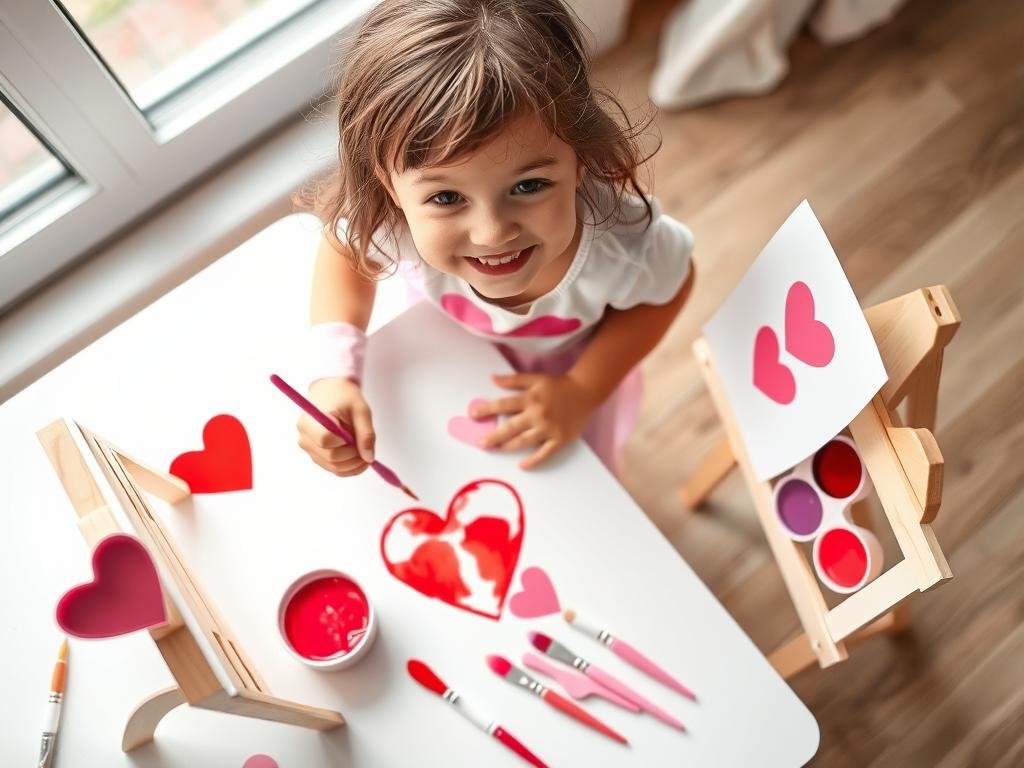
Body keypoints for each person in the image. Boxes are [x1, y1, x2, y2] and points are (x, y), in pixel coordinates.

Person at [296, 0, 695, 477]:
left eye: (528, 186)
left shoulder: (625, 244)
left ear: (580, 157)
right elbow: (345, 251)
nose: (492, 234)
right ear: (388, 184)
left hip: (559, 382)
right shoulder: (392, 221)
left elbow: (671, 285)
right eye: (446, 198)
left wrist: (583, 391)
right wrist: (333, 373)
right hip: (442, 359)